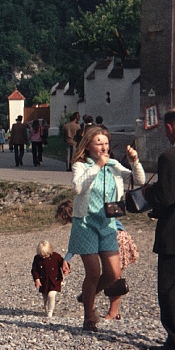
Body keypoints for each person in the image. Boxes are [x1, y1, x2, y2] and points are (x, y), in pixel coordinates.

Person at [66, 126, 144, 332]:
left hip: (108, 223)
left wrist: (135, 161)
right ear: (89, 145)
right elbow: (78, 187)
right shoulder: (81, 165)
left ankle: (87, 295)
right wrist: (97, 166)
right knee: (93, 272)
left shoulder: (114, 165)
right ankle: (89, 315)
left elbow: (139, 180)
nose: (103, 146)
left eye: (106, 143)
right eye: (99, 142)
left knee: (113, 273)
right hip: (86, 223)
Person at [143, 107, 175, 350]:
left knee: (170, 288)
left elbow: (166, 197)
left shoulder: (170, 156)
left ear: (169, 127)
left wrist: (149, 194)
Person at [31, 240, 65, 318]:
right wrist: (37, 279)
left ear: (50, 251)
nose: (44, 257)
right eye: (42, 256)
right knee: (45, 299)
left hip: (55, 281)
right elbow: (34, 270)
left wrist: (66, 269)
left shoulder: (56, 256)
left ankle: (50, 313)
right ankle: (47, 312)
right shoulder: (37, 259)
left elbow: (63, 263)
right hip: (44, 282)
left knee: (51, 295)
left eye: (46, 255)